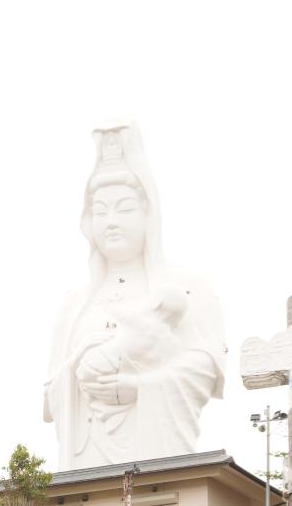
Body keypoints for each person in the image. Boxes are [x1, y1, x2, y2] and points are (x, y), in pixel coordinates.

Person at [43, 122, 226, 470]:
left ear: (147, 214)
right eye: (100, 211)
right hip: (86, 455)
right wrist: (85, 365)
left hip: (155, 449)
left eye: (124, 209)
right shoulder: (74, 305)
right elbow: (50, 398)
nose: (110, 222)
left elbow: (206, 368)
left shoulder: (185, 288)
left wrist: (138, 386)